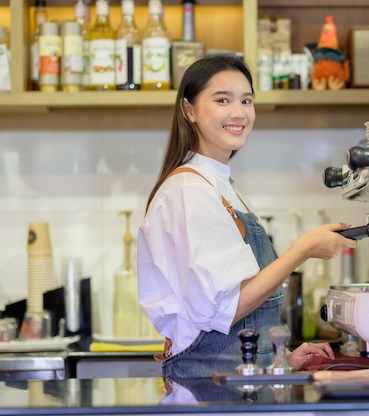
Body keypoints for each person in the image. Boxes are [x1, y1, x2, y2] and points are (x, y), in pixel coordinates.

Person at [137, 55, 357, 379]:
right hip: (210, 391)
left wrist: (281, 358)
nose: (239, 112)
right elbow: (227, 306)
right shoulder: (189, 191)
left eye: (246, 100)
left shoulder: (220, 186)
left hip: (236, 383)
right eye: (222, 100)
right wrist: (303, 250)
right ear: (190, 110)